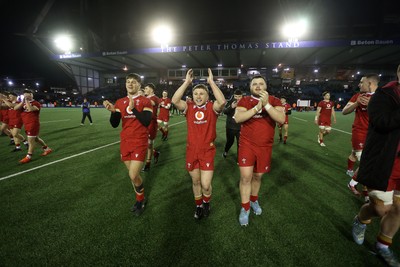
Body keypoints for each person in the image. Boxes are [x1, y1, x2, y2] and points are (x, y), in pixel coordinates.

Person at [351, 64, 400, 266]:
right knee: (381, 209)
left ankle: (382, 245)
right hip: (385, 160)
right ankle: (361, 220)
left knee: (398, 208)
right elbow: (383, 121)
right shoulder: (385, 94)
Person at [171, 68, 226, 220]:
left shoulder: (211, 107)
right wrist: (187, 82)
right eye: (196, 93)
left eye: (202, 93)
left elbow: (222, 102)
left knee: (206, 184)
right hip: (191, 151)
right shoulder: (188, 106)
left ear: (207, 96)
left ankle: (207, 202)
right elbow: (174, 101)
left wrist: (211, 82)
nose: (198, 96)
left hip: (207, 151)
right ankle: (199, 206)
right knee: (196, 182)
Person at [234, 75, 285, 226]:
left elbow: (281, 119)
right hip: (247, 144)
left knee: (257, 176)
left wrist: (266, 104)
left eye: (261, 83)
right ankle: (245, 208)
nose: (257, 86)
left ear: (266, 86)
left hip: (265, 146)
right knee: (245, 177)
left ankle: (254, 200)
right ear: (250, 87)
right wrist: (258, 107)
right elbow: (238, 118)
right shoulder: (244, 100)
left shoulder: (274, 100)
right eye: (254, 84)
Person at [103, 73, 152, 216]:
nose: (130, 84)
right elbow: (114, 124)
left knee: (133, 174)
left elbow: (146, 121)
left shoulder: (145, 101)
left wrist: (134, 108)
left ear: (139, 85)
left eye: (133, 82)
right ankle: (139, 200)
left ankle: (141, 199)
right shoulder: (120, 102)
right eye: (128, 82)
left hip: (139, 141)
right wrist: (113, 111)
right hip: (125, 142)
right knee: (133, 177)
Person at [342, 74, 379, 201]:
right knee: (366, 163)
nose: (359, 84)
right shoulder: (358, 96)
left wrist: (373, 104)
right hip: (360, 132)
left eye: (361, 82)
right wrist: (357, 104)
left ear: (370, 84)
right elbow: (344, 111)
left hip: (375, 134)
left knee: (365, 160)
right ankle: (362, 190)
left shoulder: (381, 97)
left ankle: (357, 184)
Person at [14, 89, 52, 163]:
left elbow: (30, 109)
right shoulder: (23, 103)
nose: (26, 96)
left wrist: (27, 101)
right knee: (36, 138)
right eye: (25, 95)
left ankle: (28, 156)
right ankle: (47, 149)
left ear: (31, 95)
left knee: (31, 141)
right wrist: (23, 102)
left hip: (33, 124)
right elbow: (15, 108)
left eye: (28, 95)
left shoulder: (36, 103)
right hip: (26, 123)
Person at [142, 83, 161, 171]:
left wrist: (141, 97)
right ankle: (155, 153)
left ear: (151, 90)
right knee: (144, 143)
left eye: (146, 88)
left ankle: (148, 163)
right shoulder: (145, 98)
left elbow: (151, 103)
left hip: (151, 123)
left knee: (149, 144)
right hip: (144, 122)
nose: (144, 90)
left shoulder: (155, 98)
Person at [222, 89, 242, 159]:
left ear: (242, 96)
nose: (237, 98)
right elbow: (224, 111)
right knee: (230, 142)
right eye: (236, 96)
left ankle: (239, 158)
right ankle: (225, 151)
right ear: (234, 96)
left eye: (239, 96)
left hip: (240, 128)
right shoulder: (230, 101)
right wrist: (231, 107)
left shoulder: (245, 102)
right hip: (230, 127)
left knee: (240, 144)